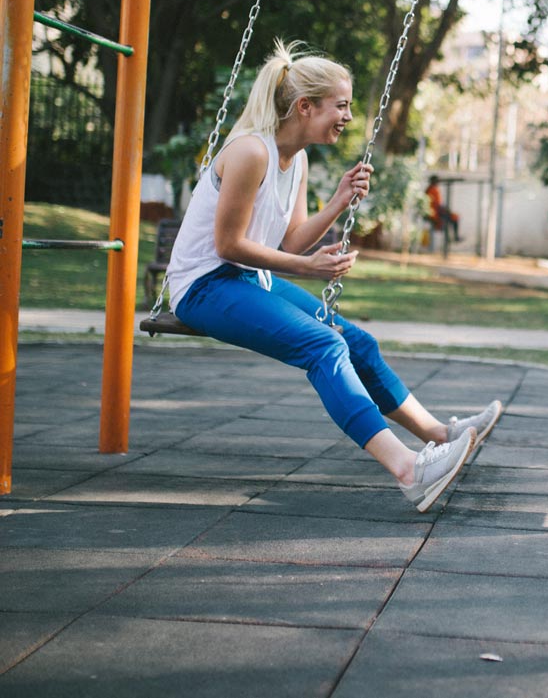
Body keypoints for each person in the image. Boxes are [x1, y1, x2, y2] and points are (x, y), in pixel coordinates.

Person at [166, 41, 503, 512]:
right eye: (340, 105)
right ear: (305, 107)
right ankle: (409, 470)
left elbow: (292, 241)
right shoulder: (249, 152)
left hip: (246, 281)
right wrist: (307, 268)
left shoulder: (297, 159)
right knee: (324, 345)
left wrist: (340, 200)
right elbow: (228, 246)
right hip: (204, 286)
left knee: (357, 342)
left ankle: (441, 434)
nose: (347, 115)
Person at [424, 174, 461, 242]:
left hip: (437, 212)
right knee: (447, 221)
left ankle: (453, 238)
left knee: (454, 217)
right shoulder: (431, 190)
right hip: (434, 213)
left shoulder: (433, 189)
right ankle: (451, 239)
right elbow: (435, 205)